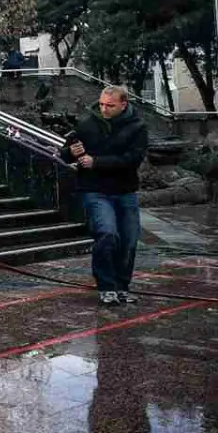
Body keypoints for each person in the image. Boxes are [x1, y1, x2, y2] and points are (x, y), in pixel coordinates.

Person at [60, 86, 148, 306]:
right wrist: (71, 152)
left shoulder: (137, 127)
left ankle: (122, 287)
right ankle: (107, 286)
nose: (104, 109)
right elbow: (64, 154)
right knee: (107, 234)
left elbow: (132, 159)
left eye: (110, 105)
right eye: (101, 104)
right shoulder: (87, 124)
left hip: (125, 190)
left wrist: (96, 162)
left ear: (123, 104)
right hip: (95, 190)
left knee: (128, 241)